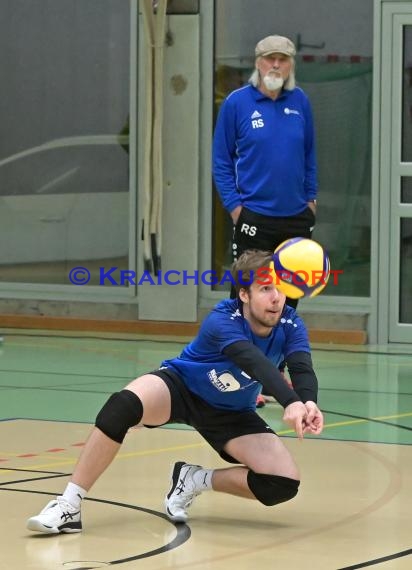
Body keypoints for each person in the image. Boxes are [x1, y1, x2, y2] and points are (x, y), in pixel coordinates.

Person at [26, 249, 323, 534]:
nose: (276, 298)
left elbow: (302, 366)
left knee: (281, 483)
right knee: (120, 408)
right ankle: (69, 505)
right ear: (244, 294)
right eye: (265, 289)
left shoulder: (291, 324)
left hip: (233, 411)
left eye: (281, 288)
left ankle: (194, 480)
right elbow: (254, 362)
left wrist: (308, 403)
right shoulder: (223, 320)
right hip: (181, 387)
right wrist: (290, 401)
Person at [212, 34, 318, 309]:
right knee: (246, 298)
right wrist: (235, 208)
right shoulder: (236, 103)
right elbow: (221, 162)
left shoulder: (300, 101)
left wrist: (311, 201)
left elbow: (309, 154)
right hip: (253, 217)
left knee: (288, 299)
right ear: (258, 64)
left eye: (282, 60)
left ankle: (282, 352)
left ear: (290, 66)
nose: (275, 65)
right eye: (269, 59)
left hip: (296, 219)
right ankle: (241, 352)